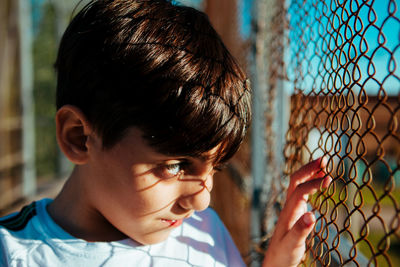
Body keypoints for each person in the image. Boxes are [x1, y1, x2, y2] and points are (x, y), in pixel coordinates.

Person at [0, 0, 331, 266]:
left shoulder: (206, 233)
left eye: (214, 167)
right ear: (79, 137)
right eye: (176, 165)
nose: (202, 200)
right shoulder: (13, 252)